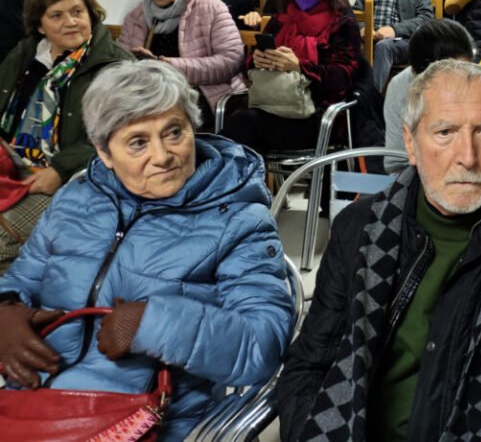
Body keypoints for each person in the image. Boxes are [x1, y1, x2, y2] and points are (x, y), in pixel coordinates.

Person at [277, 60, 481, 440]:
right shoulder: (359, 227)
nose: (467, 157)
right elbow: (309, 367)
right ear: (410, 143)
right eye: (445, 132)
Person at [0, 59, 294, 441]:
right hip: (32, 404)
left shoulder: (238, 220)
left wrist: (153, 325)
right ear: (104, 153)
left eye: (175, 132)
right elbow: (22, 278)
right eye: (138, 142)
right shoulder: (75, 199)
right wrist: (5, 309)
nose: (162, 155)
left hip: (146, 417)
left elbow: (263, 346)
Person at [0, 0, 132, 271]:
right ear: (39, 25)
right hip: (9, 164)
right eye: (56, 15)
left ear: (91, 14)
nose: (70, 22)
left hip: (70, 179)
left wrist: (59, 169)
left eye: (77, 12)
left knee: (0, 240)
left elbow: (116, 136)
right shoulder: (26, 54)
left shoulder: (114, 66)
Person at [223, 0, 370, 154]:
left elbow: (341, 78)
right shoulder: (279, 22)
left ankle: (217, 181)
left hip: (319, 114)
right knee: (237, 119)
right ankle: (226, 180)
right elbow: (247, 67)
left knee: (243, 125)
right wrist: (256, 61)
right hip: (274, 104)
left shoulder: (343, 26)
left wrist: (299, 67)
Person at [119, 0, 245, 128]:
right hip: (149, 96)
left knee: (157, 115)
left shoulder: (211, 8)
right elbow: (117, 67)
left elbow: (231, 61)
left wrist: (171, 67)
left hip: (205, 97)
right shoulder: (136, 18)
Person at [383, 18, 475, 175]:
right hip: (416, 181)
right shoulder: (400, 89)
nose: (461, 81)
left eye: (467, 70)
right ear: (418, 75)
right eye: (452, 76)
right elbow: (397, 164)